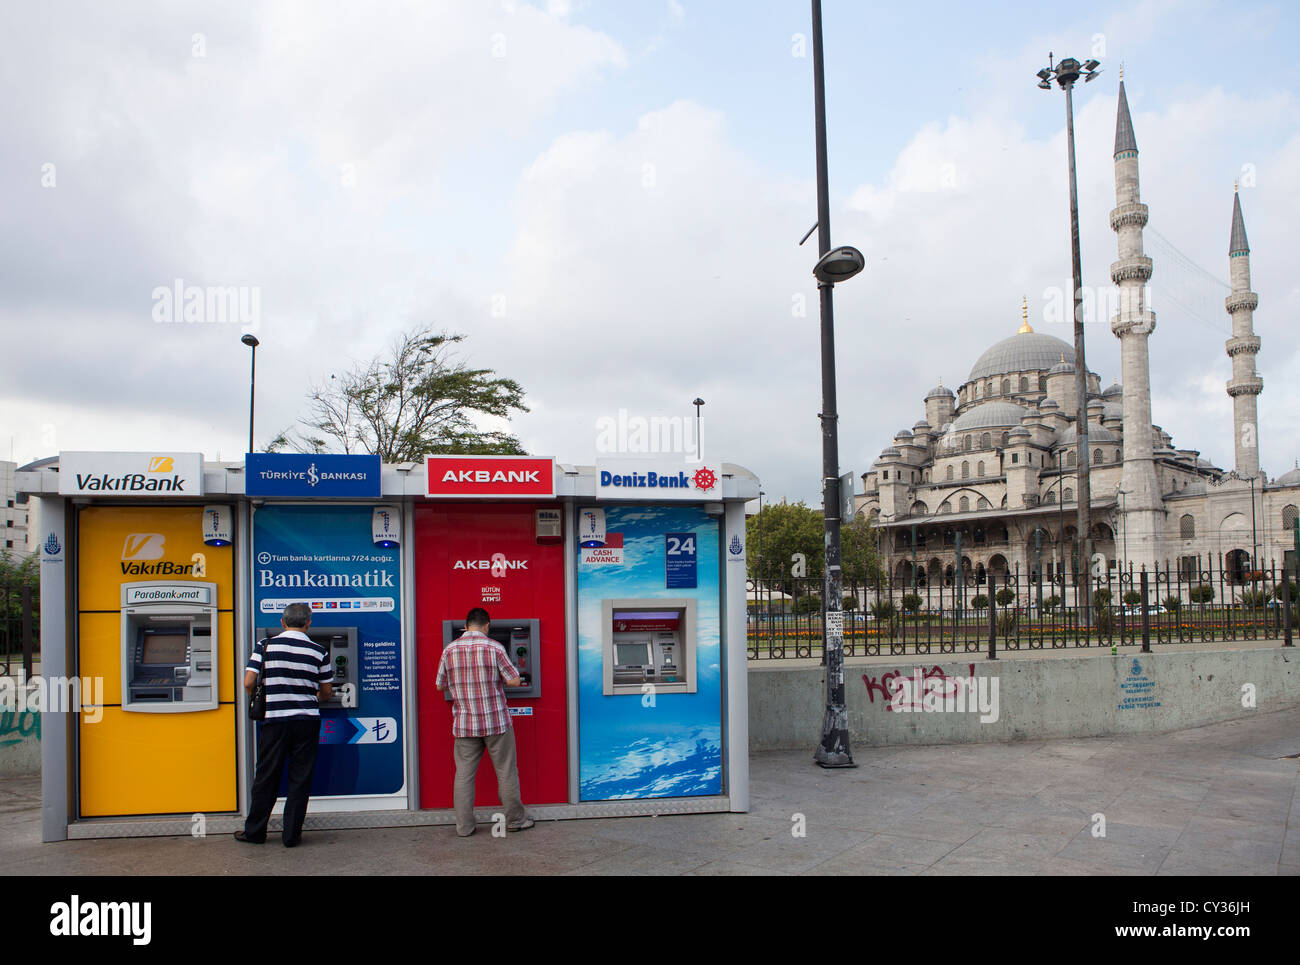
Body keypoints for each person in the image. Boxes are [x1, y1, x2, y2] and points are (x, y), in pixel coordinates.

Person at [235, 602, 333, 847]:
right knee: (300, 777)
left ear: (282, 622)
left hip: (276, 721)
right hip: (306, 722)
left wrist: (264, 699)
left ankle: (255, 832)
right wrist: (310, 697)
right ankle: (291, 835)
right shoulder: (319, 650)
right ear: (309, 623)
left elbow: (248, 682)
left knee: (267, 775)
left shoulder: (265, 645)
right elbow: (327, 692)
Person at [436, 607, 534, 836]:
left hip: (465, 724)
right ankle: (516, 820)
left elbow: (440, 685)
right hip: (496, 722)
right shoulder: (495, 647)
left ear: (465, 625)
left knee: (464, 776)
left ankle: (464, 827)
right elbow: (514, 681)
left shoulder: (449, 650)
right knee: (506, 772)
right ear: (487, 626)